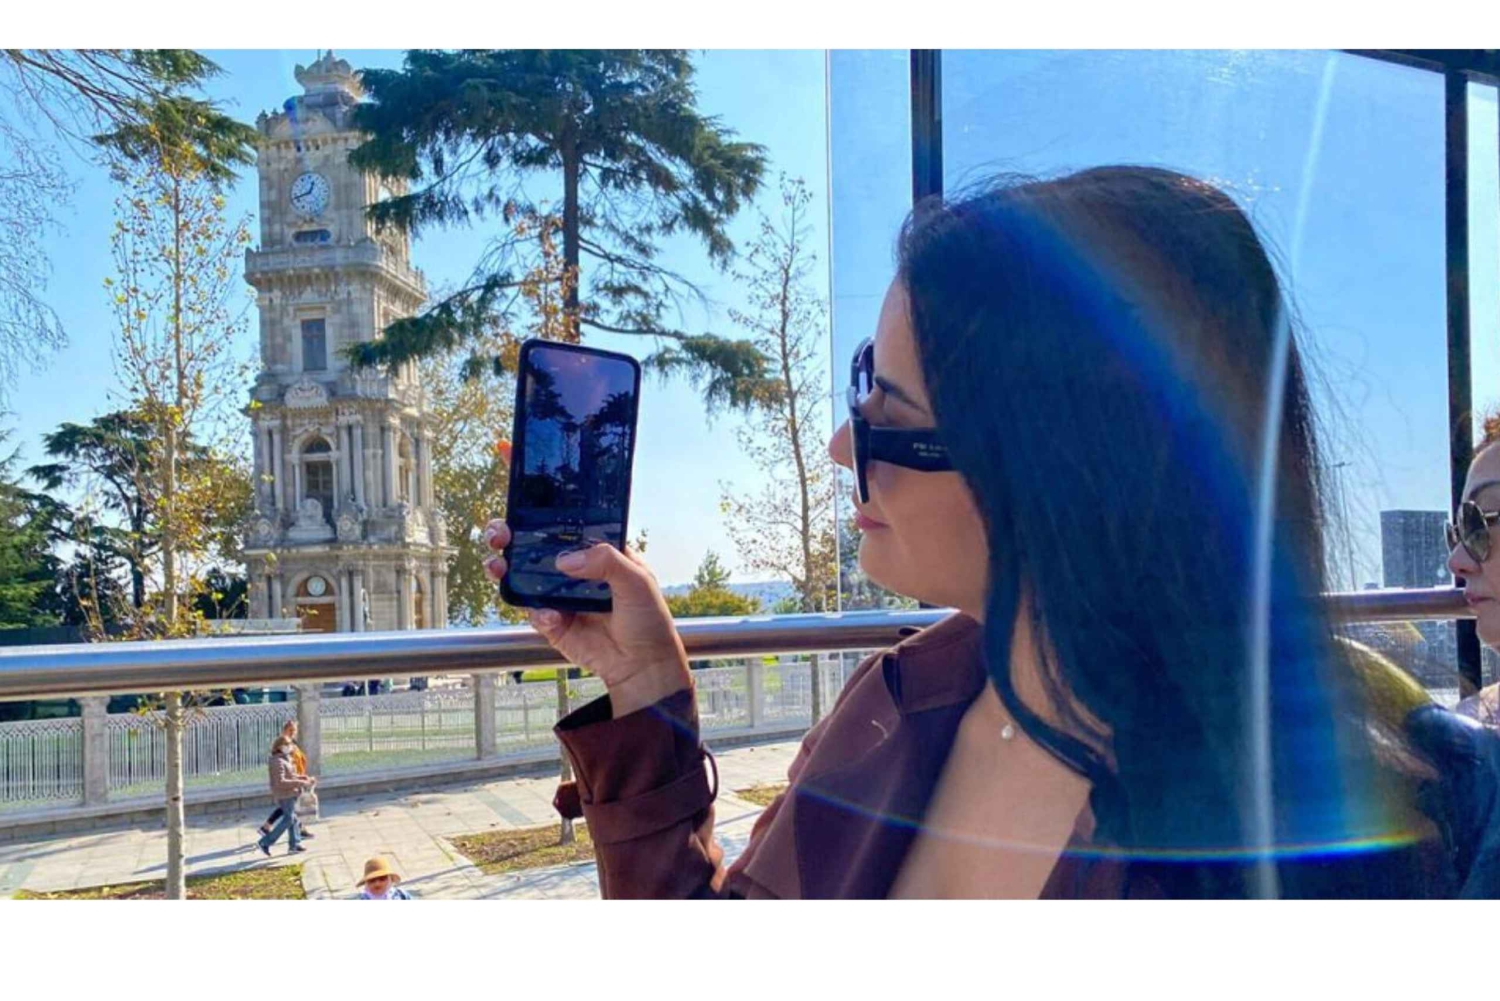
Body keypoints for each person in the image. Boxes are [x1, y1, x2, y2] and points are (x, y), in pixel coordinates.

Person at [483, 167, 1458, 898]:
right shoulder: (900, 695)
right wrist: (646, 685)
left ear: (1062, 470)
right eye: (862, 389)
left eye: (891, 415)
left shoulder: (1298, 852)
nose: (840, 445)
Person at [258, 721, 315, 840]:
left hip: (296, 779)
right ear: (284, 730)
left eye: (294, 730)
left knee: (291, 809)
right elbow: (286, 768)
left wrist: (303, 777)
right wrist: (299, 780)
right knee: (290, 810)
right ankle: (267, 838)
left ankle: (294, 835)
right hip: (290, 783)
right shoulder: (283, 745)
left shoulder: (292, 743)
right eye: (290, 730)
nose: (293, 732)